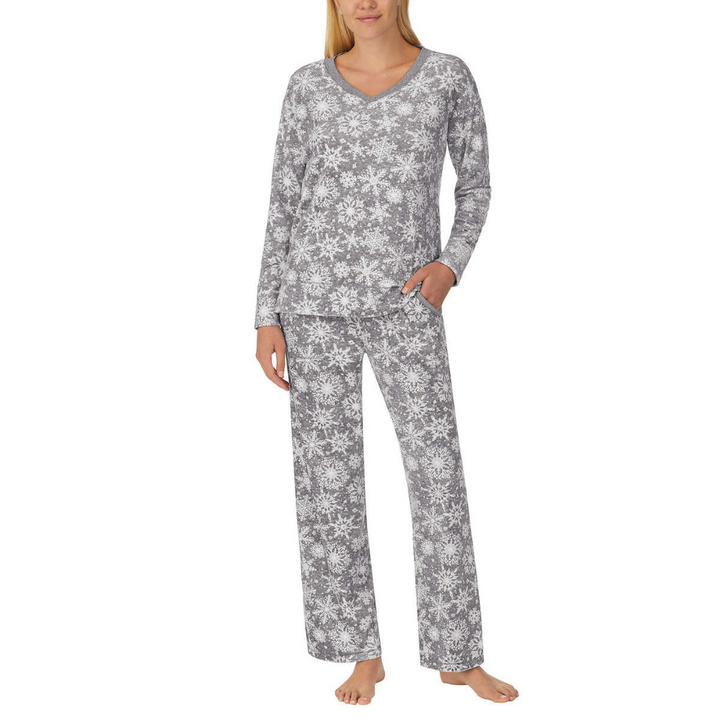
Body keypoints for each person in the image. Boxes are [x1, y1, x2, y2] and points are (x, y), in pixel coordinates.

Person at [254, 0, 518, 706]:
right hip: (311, 304)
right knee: (328, 487)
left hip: (407, 304)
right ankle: (360, 653)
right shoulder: (307, 86)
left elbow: (476, 184)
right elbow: (283, 200)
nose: (364, 2)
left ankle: (457, 655)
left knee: (437, 476)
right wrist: (266, 314)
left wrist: (450, 265)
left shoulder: (446, 77)